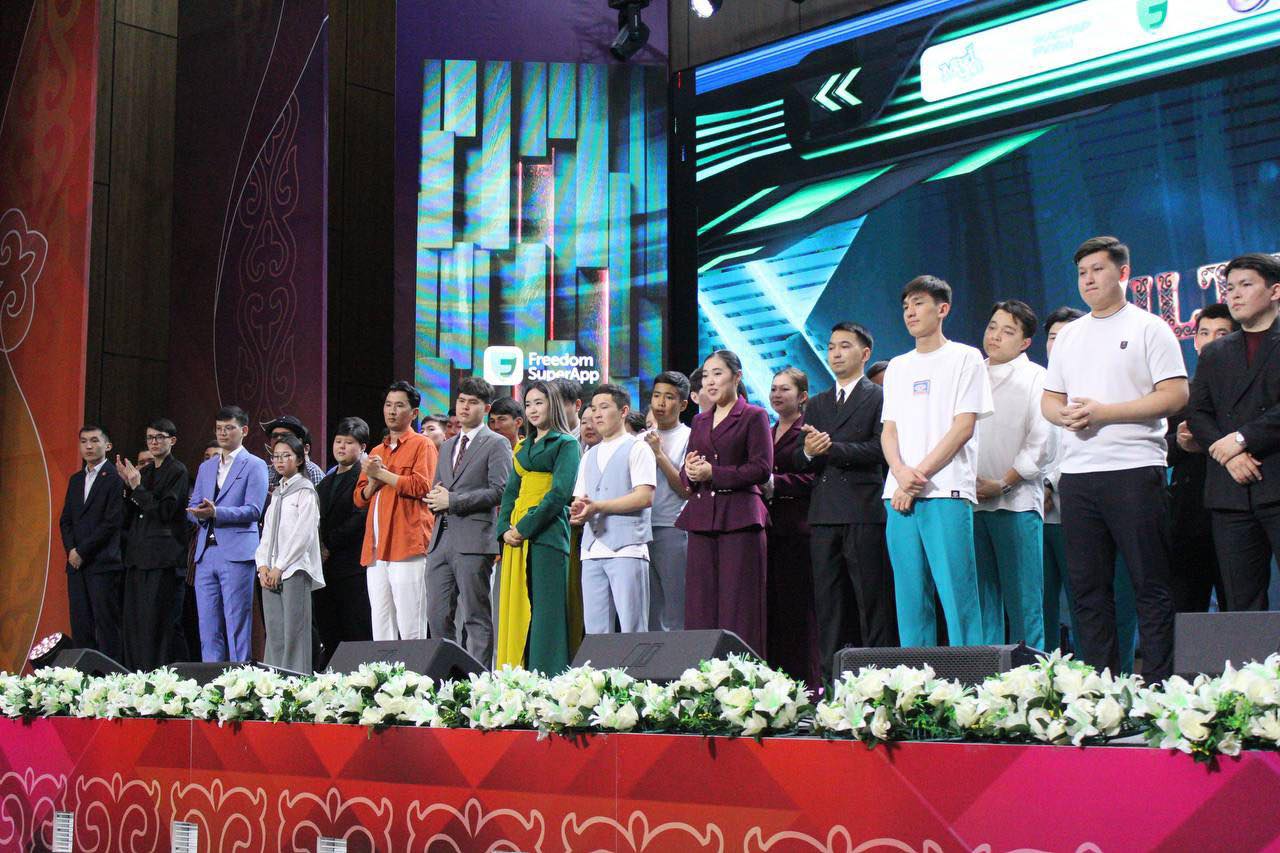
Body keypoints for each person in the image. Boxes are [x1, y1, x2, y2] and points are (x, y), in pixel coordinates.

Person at [1042, 236, 1187, 682]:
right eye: (1082, 273)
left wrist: (1105, 413)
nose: (1088, 280)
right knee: (1087, 590)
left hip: (1134, 468)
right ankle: (1100, 688)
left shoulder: (1149, 328)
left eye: (1098, 270)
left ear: (1123, 273)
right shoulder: (1070, 336)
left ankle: (1159, 685)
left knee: (1150, 584)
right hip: (1078, 475)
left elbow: (1175, 394)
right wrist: (1063, 415)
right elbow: (1050, 400)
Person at [881, 276, 993, 648]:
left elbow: (963, 427)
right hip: (898, 495)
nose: (910, 312)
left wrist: (916, 477)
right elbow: (889, 431)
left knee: (958, 597)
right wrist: (900, 474)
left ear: (942, 309)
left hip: (946, 490)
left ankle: (971, 675)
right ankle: (915, 677)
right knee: (910, 599)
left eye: (919, 303)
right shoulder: (897, 366)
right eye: (905, 306)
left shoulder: (965, 357)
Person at [799, 322, 896, 680]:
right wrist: (809, 452)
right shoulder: (818, 403)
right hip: (824, 512)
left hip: (863, 509)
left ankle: (879, 681)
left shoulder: (879, 397)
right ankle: (832, 684)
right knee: (828, 604)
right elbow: (799, 458)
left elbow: (880, 449)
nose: (836, 354)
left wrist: (832, 449)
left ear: (865, 353)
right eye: (831, 347)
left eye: (844, 346)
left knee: (872, 601)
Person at [1188, 253, 1280, 611]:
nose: (1235, 295)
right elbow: (1198, 412)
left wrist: (1242, 439)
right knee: (1242, 603)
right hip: (1230, 493)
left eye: (1246, 285)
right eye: (1229, 288)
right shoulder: (1216, 353)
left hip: (1275, 478)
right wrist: (1227, 454)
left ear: (1275, 291)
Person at [677, 350, 773, 656]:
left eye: (717, 373)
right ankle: (700, 672)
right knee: (700, 604)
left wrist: (714, 473)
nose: (710, 381)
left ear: (737, 377)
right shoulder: (700, 420)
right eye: (706, 375)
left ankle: (742, 673)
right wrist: (690, 472)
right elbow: (689, 470)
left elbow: (761, 469)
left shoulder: (754, 416)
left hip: (740, 519)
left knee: (739, 604)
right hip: (702, 518)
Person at [973, 300, 1051, 650]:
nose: (995, 336)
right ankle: (984, 672)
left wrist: (1003, 482)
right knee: (982, 603)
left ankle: (1029, 673)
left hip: (1015, 502)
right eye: (992, 327)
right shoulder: (970, 373)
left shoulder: (1037, 377)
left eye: (1007, 332)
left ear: (1025, 343)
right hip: (971, 502)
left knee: (1024, 603)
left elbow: (1041, 441)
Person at [495, 380, 581, 673]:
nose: (532, 410)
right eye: (528, 404)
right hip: (515, 537)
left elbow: (559, 494)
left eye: (539, 403)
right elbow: (510, 491)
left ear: (552, 405)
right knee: (516, 607)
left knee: (546, 610)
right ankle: (516, 674)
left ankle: (547, 674)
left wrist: (524, 528)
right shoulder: (522, 446)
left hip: (547, 533)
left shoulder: (566, 444)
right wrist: (504, 529)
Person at [426, 377, 512, 665]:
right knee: (437, 615)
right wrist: (435, 498)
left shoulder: (496, 443)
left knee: (476, 616)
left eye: (472, 402)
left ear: (486, 408)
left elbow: (500, 490)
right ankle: (447, 676)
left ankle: (478, 680)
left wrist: (453, 501)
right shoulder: (447, 445)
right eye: (461, 401)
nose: (464, 407)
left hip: (474, 540)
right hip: (440, 539)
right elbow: (440, 487)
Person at [354, 381, 438, 641]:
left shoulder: (422, 445)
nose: (391, 411)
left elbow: (422, 486)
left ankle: (415, 670)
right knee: (381, 625)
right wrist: (374, 481)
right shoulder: (376, 451)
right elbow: (360, 498)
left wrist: (382, 474)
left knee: (411, 626)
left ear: (414, 413)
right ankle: (384, 669)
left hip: (407, 545)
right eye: (388, 405)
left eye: (399, 406)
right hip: (376, 549)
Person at [1167, 304, 1236, 612]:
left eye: (1221, 334)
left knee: (1239, 607)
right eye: (1204, 333)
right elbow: (1160, 450)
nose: (1210, 341)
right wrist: (1181, 444)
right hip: (1188, 517)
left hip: (1236, 512)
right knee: (1186, 609)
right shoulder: (1181, 393)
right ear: (1194, 341)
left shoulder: (1249, 391)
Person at [571, 384, 656, 635]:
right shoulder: (589, 455)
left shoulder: (637, 447)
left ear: (623, 411)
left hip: (627, 548)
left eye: (604, 407)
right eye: (593, 408)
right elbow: (581, 499)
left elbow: (644, 497)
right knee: (596, 632)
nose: (596, 414)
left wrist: (599, 506)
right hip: (591, 550)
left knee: (633, 628)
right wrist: (578, 510)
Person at [188, 406, 270, 662]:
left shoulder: (255, 465)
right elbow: (192, 506)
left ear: (243, 430)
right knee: (207, 624)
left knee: (236, 623)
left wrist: (216, 512)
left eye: (229, 428)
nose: (223, 433)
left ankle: (239, 676)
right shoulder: (207, 467)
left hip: (236, 552)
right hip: (205, 552)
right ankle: (211, 676)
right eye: (219, 429)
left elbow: (254, 510)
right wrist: (197, 513)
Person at [118, 419, 191, 670]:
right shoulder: (146, 472)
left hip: (162, 559)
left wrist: (136, 487)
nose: (154, 442)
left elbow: (165, 511)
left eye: (160, 437)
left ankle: (159, 675)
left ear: (172, 440)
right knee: (135, 623)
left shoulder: (178, 471)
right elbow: (128, 516)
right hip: (138, 557)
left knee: (157, 622)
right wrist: (127, 488)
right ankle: (136, 673)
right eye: (150, 437)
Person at [765, 367, 819, 686]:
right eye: (774, 388)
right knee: (773, 609)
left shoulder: (808, 432)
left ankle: (807, 683)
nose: (776, 394)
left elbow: (815, 478)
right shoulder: (766, 430)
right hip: (768, 530)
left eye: (785, 389)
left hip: (798, 528)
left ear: (802, 397)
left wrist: (777, 483)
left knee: (799, 610)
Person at [256, 433, 324, 673]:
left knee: (295, 631)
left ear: (299, 459)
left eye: (286, 456)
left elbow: (303, 534)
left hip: (293, 569)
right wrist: (262, 566)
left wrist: (280, 566)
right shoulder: (277, 494)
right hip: (270, 571)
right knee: (275, 632)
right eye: (276, 456)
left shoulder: (305, 491)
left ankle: (294, 682)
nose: (280, 461)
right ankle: (273, 682)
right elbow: (267, 533)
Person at [60, 425, 126, 660]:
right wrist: (71, 550)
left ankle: (111, 676)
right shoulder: (76, 479)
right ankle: (84, 676)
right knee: (80, 624)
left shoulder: (115, 478)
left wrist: (82, 551)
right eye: (84, 441)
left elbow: (112, 522)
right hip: (76, 565)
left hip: (102, 563)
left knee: (106, 624)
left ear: (107, 445)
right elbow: (66, 520)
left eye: (94, 441)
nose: (88, 446)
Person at [314, 417, 372, 665]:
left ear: (362, 447)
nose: (341, 447)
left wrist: (329, 544)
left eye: (349, 443)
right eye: (338, 441)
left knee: (355, 628)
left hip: (352, 565)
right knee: (329, 630)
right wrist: (319, 546)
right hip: (325, 567)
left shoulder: (364, 477)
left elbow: (360, 517)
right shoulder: (325, 481)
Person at [643, 371, 692, 631]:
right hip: (640, 530)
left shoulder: (690, 436)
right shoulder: (640, 439)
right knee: (649, 610)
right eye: (656, 396)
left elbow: (685, 489)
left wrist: (659, 453)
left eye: (669, 397)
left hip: (673, 527)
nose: (660, 403)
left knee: (675, 609)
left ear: (683, 405)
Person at [262, 416, 326, 488]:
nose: (279, 439)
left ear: (299, 442)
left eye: (285, 435)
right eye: (275, 436)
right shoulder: (266, 472)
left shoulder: (312, 472)